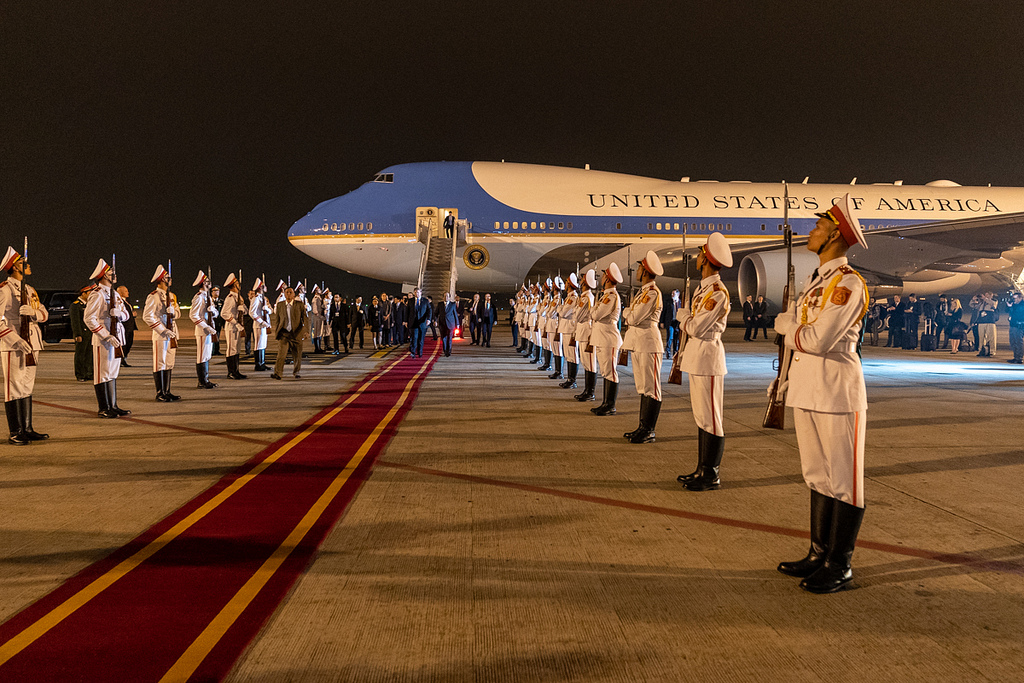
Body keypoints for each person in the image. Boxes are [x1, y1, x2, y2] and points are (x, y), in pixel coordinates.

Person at [772, 194, 870, 594]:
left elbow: (819, 339)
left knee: (844, 479)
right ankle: (818, 553)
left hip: (836, 390)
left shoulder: (848, 284)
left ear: (835, 235)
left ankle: (840, 564)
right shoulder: (817, 282)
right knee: (817, 475)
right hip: (809, 387)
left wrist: (785, 327)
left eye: (818, 226)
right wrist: (785, 380)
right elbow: (805, 342)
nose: (810, 231)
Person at [676, 232, 732, 490]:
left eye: (700, 253)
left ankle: (711, 474)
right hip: (697, 357)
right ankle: (702, 469)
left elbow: (697, 327)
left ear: (706, 259)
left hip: (708, 357)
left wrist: (683, 318)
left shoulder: (717, 292)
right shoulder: (703, 289)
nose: (697, 257)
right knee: (701, 416)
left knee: (711, 417)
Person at [0, 246, 50, 443]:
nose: (27, 265)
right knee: (14, 386)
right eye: (22, 263)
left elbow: (44, 314)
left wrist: (33, 313)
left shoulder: (29, 289)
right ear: (14, 267)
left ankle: (27, 428)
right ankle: (15, 431)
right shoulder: (5, 289)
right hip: (14, 344)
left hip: (32, 342)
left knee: (27, 386)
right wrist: (15, 339)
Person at [621, 251, 665, 444]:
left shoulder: (652, 293)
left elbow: (633, 318)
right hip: (639, 343)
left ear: (645, 271)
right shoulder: (644, 293)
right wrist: (629, 313)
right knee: (643, 387)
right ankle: (642, 427)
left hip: (649, 343)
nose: (637, 271)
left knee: (652, 388)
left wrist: (628, 312)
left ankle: (649, 430)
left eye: (640, 267)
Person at [85, 258, 131, 418]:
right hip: (103, 340)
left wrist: (119, 314)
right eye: (111, 272)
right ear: (104, 275)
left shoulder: (115, 293)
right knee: (102, 373)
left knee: (112, 372)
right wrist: (105, 335)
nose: (114, 274)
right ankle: (104, 407)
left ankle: (113, 405)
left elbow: (126, 314)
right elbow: (89, 319)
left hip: (117, 336)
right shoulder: (97, 294)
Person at [142, 264, 181, 402]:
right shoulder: (154, 296)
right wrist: (162, 330)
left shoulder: (171, 295)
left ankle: (167, 391)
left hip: (171, 333)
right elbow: (147, 316)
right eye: (168, 278)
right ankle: (160, 392)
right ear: (162, 279)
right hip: (161, 334)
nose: (170, 280)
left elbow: (178, 313)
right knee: (160, 362)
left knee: (169, 362)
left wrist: (173, 312)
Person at [590, 263, 624, 416]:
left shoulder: (611, 296)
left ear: (608, 279)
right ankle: (605, 403)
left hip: (608, 338)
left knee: (610, 372)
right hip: (602, 337)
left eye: (604, 275)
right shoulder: (606, 295)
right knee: (605, 371)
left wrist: (594, 309)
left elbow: (596, 315)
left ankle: (610, 405)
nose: (602, 278)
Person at [190, 271, 219, 389]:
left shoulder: (208, 297)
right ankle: (202, 381)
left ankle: (206, 379)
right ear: (202, 284)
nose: (209, 283)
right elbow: (193, 315)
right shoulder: (198, 297)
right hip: (203, 331)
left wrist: (214, 310)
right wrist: (206, 327)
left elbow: (216, 314)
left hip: (209, 330)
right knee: (202, 356)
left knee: (207, 355)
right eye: (207, 281)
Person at [271, 286, 308, 379]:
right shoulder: (280, 305)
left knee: (297, 354)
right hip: (284, 333)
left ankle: (297, 371)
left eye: (290, 292)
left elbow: (305, 318)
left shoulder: (299, 304)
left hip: (296, 333)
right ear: (284, 294)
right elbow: (278, 320)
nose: (288, 294)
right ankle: (278, 373)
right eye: (287, 292)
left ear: (294, 294)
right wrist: (277, 333)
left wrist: (306, 331)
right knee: (281, 354)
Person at [574, 270, 599, 401]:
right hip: (582, 331)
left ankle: (590, 392)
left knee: (590, 363)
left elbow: (578, 315)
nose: (580, 282)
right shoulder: (583, 297)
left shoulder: (586, 297)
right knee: (586, 362)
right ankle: (587, 390)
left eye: (582, 280)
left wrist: (575, 310)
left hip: (586, 331)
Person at [220, 273, 248, 380]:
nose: (239, 285)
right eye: (237, 283)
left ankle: (236, 371)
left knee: (237, 349)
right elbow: (224, 313)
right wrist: (236, 323)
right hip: (232, 327)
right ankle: (231, 372)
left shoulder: (238, 297)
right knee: (231, 349)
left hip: (238, 327)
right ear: (233, 285)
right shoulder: (230, 298)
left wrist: (242, 308)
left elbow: (246, 311)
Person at [557, 275, 580, 389]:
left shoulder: (573, 298)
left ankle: (573, 380)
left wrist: (559, 308)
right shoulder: (568, 297)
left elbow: (562, 313)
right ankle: (569, 378)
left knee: (572, 355)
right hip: (566, 328)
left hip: (570, 329)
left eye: (566, 282)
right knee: (568, 355)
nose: (564, 285)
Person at [70, 285, 94, 382]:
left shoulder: (88, 305)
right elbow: (75, 321)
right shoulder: (76, 305)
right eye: (89, 293)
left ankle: (89, 373)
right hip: (82, 333)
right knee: (80, 354)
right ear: (83, 293)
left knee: (89, 354)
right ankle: (80, 374)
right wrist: (77, 334)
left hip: (90, 333)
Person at [249, 278, 272, 371]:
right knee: (258, 344)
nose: (265, 287)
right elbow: (252, 313)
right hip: (259, 325)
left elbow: (270, 311)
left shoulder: (263, 298)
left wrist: (267, 309)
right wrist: (261, 322)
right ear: (260, 288)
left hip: (264, 325)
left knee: (263, 344)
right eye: (263, 286)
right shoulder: (255, 299)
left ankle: (262, 363)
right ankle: (258, 364)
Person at [408, 287, 432, 357]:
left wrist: (429, 319)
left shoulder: (425, 301)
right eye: (415, 292)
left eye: (418, 292)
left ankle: (420, 352)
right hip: (413, 322)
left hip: (422, 322)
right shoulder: (410, 301)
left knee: (421, 339)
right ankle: (413, 352)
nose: (417, 294)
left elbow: (429, 310)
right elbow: (407, 311)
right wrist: (406, 321)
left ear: (421, 293)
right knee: (414, 338)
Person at [974, 291, 998, 356]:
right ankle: (981, 350)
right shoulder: (982, 302)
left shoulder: (994, 300)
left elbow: (994, 305)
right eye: (985, 295)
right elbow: (973, 306)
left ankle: (992, 351)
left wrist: (985, 299)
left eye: (987, 295)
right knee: (981, 337)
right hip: (981, 321)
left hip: (990, 321)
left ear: (991, 295)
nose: (985, 296)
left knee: (991, 337)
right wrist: (974, 299)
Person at [117, 286, 136, 367]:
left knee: (129, 343)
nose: (127, 292)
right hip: (124, 327)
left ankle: (123, 358)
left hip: (130, 326)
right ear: (120, 293)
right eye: (125, 291)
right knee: (124, 345)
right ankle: (121, 360)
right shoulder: (119, 302)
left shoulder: (127, 302)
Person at [660, 289, 681, 357]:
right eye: (672, 294)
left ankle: (675, 351)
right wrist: (662, 321)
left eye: (673, 294)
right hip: (670, 322)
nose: (672, 295)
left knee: (676, 337)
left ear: (678, 295)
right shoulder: (668, 302)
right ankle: (668, 351)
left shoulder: (680, 303)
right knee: (670, 336)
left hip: (677, 323)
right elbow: (664, 312)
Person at [439, 292, 459, 357]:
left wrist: (457, 323)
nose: (446, 297)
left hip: (450, 323)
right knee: (443, 338)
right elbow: (436, 313)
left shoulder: (452, 304)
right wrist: (435, 320)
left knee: (449, 338)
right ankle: (445, 350)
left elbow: (455, 314)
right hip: (442, 324)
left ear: (449, 297)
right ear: (443, 297)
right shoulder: (440, 304)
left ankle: (449, 351)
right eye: (445, 296)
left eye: (447, 296)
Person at [1007, 291, 1024, 364]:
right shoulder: (1014, 305)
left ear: (1020, 298)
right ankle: (1015, 356)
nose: (1014, 300)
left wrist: (1013, 307)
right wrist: (1009, 307)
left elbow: (1018, 313)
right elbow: (1006, 311)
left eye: (1015, 298)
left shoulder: (1022, 305)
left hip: (1019, 326)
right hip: (1013, 325)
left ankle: (1019, 358)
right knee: (1013, 342)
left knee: (1018, 342)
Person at [310, 285, 325, 353]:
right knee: (316, 332)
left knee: (319, 332)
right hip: (317, 317)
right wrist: (319, 314)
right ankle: (317, 348)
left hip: (319, 317)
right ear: (316, 291)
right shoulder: (315, 299)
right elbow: (315, 310)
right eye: (319, 289)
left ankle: (319, 347)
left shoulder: (319, 298)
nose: (320, 290)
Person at [210, 285, 224, 356]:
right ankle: (211, 350)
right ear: (212, 292)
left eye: (217, 291)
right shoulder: (209, 301)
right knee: (211, 336)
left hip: (218, 322)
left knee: (217, 336)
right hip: (211, 322)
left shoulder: (221, 301)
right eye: (215, 291)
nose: (216, 292)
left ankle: (216, 350)